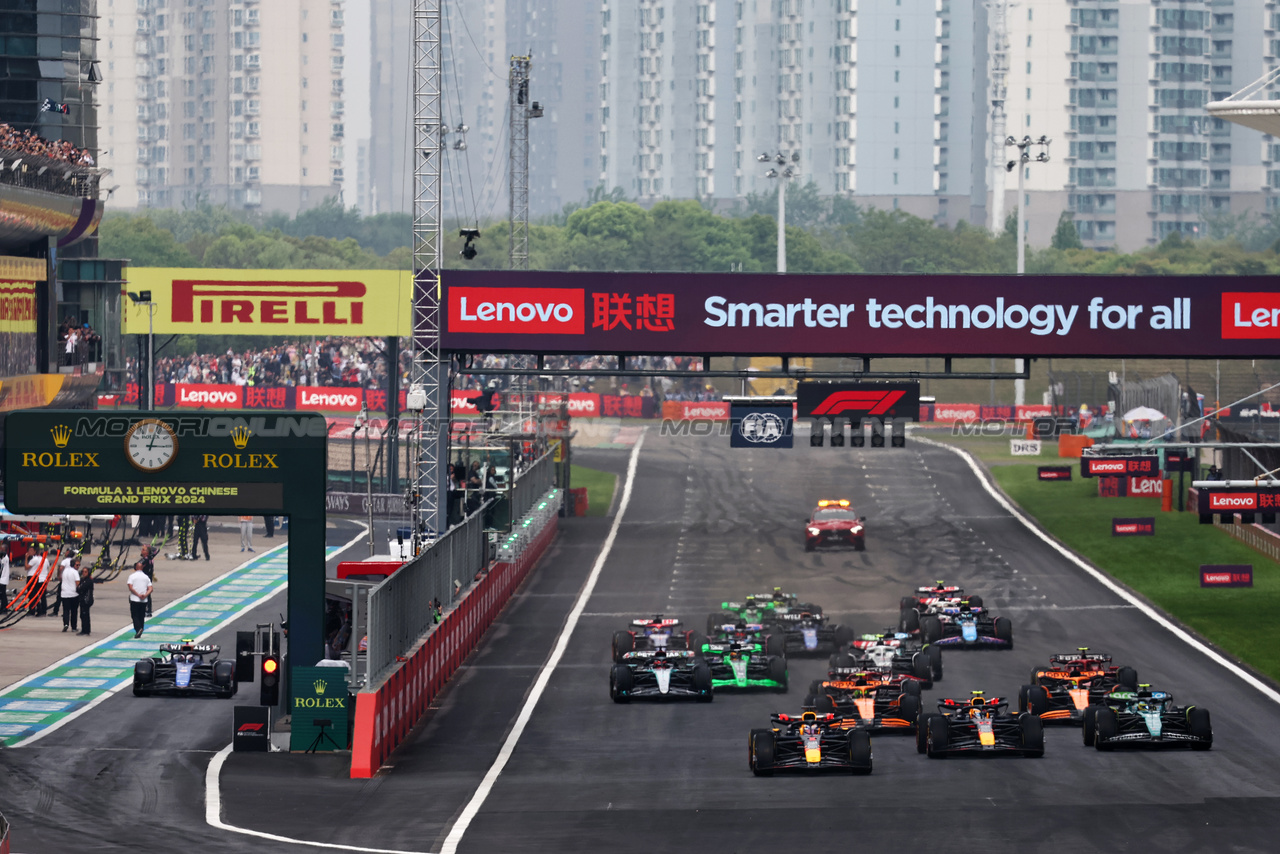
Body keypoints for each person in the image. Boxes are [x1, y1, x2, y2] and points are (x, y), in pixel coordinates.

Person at [126, 561, 152, 638]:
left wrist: (138, 595)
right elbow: (150, 588)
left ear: (136, 568)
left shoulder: (132, 576)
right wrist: (145, 595)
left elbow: (130, 587)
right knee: (141, 615)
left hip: (135, 599)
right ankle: (141, 628)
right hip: (144, 600)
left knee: (135, 615)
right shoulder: (146, 577)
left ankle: (138, 629)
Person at [60, 555, 80, 633]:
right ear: (73, 564)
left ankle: (65, 624)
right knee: (74, 611)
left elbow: (61, 578)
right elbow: (77, 583)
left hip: (64, 593)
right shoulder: (75, 572)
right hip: (73, 594)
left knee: (66, 610)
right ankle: (74, 627)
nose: (78, 566)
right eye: (77, 565)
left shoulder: (65, 571)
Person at [76, 561, 95, 636]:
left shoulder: (88, 581)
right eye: (83, 572)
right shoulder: (83, 580)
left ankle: (86, 630)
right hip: (82, 599)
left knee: (85, 615)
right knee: (82, 615)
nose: (84, 573)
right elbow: (78, 588)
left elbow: (81, 588)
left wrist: (79, 588)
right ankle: (84, 629)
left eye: (85, 572)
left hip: (86, 600)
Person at [139, 544, 156, 617]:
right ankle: (146, 610)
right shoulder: (149, 559)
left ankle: (148, 610)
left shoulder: (146, 560)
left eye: (144, 550)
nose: (142, 551)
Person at [0, 543, 9, 611]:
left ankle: (4, 607)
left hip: (3, 578)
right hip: (3, 578)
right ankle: (3, 606)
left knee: (3, 594)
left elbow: (1, 568)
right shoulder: (3, 557)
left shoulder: (5, 557)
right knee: (2, 593)